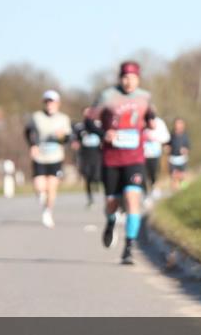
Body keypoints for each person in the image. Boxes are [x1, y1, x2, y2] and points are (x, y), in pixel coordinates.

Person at [91, 61, 157, 263]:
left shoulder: (145, 97)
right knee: (111, 203)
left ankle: (129, 247)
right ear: (120, 78)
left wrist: (152, 121)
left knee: (132, 198)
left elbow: (150, 115)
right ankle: (111, 221)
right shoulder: (107, 96)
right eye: (126, 77)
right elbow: (88, 121)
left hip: (135, 158)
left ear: (138, 79)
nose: (129, 81)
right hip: (111, 159)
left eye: (133, 78)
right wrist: (103, 133)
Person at [24, 90, 73, 229]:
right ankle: (41, 197)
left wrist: (62, 136)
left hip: (55, 157)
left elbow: (68, 138)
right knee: (40, 186)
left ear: (58, 103)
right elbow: (28, 132)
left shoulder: (63, 119)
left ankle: (48, 212)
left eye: (52, 102)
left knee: (52, 187)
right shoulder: (37, 117)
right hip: (40, 156)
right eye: (47, 102)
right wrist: (32, 145)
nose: (49, 104)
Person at [71, 107, 103, 207]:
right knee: (87, 176)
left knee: (96, 176)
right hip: (85, 155)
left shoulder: (99, 125)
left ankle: (97, 184)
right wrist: (75, 143)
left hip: (97, 154)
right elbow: (74, 138)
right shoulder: (80, 127)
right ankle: (90, 199)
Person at [143, 115, 171, 195]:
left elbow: (166, 137)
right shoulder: (141, 120)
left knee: (153, 173)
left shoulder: (159, 122)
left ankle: (154, 189)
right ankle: (145, 192)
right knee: (143, 175)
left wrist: (154, 138)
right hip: (141, 154)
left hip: (154, 153)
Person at [167, 118, 190, 191]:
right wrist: (167, 148)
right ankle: (174, 191)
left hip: (182, 159)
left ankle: (183, 190)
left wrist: (185, 150)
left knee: (182, 176)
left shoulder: (185, 136)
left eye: (180, 123)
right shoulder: (171, 135)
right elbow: (167, 145)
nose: (178, 125)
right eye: (177, 123)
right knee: (173, 176)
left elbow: (188, 147)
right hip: (172, 159)